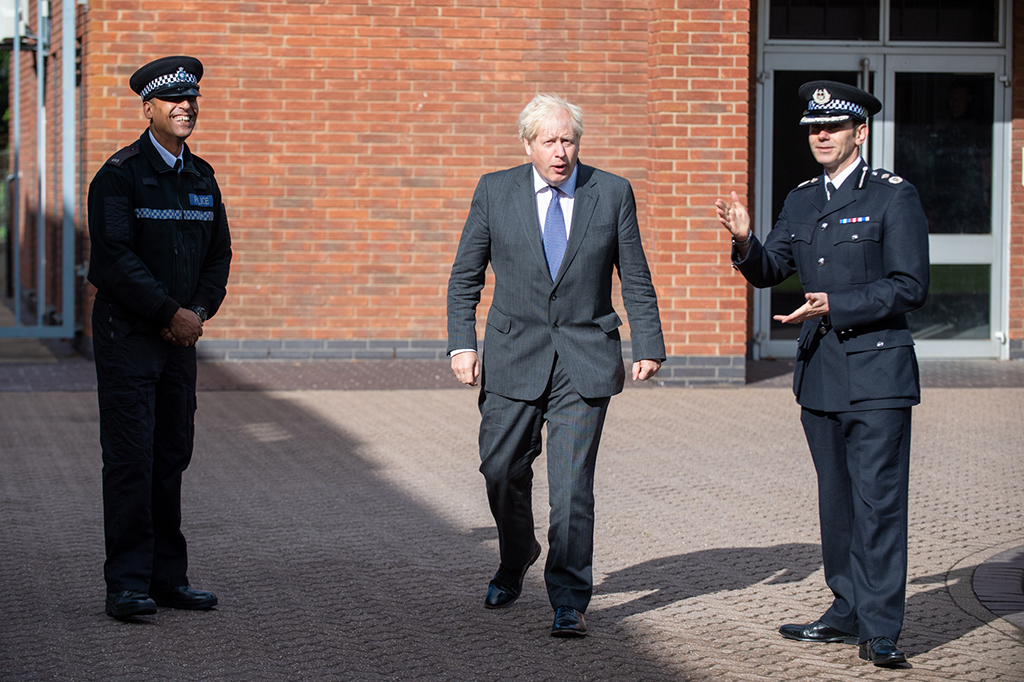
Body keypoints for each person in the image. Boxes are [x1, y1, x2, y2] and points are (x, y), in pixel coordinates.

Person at [715, 81, 929, 667]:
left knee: (878, 504)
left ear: (860, 133)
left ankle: (881, 628)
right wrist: (744, 240)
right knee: (836, 503)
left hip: (878, 374)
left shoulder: (893, 196)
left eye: (832, 127)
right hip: (822, 375)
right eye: (813, 128)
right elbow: (771, 269)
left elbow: (911, 286)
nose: (821, 135)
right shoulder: (802, 199)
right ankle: (845, 610)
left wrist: (837, 302)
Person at [447, 94, 665, 638]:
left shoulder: (610, 192)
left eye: (568, 140)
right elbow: (464, 278)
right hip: (512, 354)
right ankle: (517, 554)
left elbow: (634, 276)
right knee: (500, 472)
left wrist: (649, 344)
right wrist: (462, 345)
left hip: (584, 359)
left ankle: (569, 597)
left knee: (571, 487)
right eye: (549, 141)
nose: (561, 151)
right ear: (527, 145)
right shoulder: (495, 191)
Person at [87, 56, 232, 619]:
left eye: (192, 99)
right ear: (147, 108)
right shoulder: (120, 175)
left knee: (171, 454)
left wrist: (195, 312)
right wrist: (169, 312)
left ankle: (168, 578)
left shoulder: (202, 177)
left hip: (179, 339)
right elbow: (114, 261)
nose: (185, 107)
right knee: (130, 459)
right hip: (130, 338)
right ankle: (126, 583)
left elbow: (218, 255)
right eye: (173, 100)